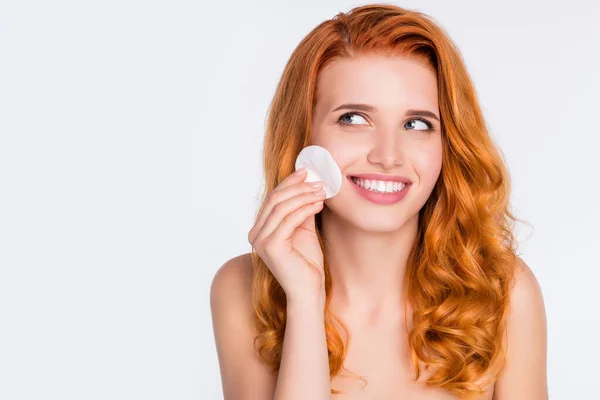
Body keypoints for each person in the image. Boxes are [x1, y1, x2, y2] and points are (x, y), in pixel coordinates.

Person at [210, 4, 548, 399]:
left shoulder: (504, 293)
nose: (388, 156)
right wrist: (305, 298)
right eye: (354, 118)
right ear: (303, 135)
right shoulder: (242, 289)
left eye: (417, 124)